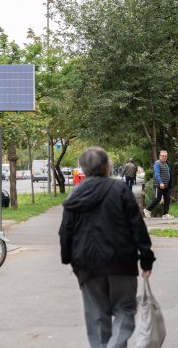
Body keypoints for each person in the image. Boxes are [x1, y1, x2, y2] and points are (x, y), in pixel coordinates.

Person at [59, 147, 155, 348]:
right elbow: (137, 225)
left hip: (87, 265)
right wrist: (146, 257)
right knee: (125, 310)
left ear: (84, 169)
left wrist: (68, 258)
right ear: (107, 167)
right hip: (121, 263)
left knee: (97, 317)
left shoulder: (75, 195)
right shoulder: (120, 190)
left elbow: (66, 231)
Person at [143, 150, 174, 219]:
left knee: (167, 199)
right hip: (159, 185)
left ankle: (165, 214)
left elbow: (168, 174)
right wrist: (161, 182)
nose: (164, 157)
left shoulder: (166, 164)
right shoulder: (157, 163)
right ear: (160, 156)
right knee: (158, 199)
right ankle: (147, 209)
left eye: (165, 156)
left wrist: (169, 184)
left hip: (166, 186)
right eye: (163, 156)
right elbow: (157, 174)